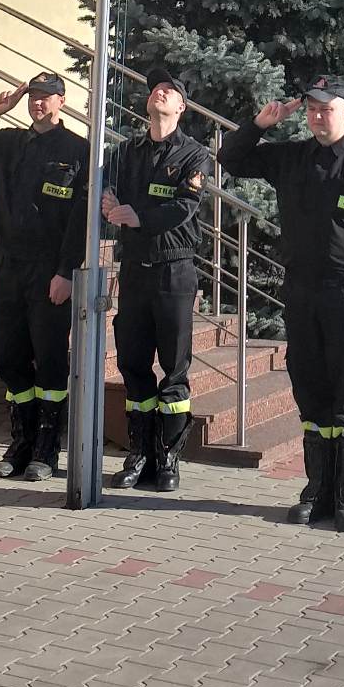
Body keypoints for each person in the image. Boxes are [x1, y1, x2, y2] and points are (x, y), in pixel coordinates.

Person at [218, 75, 344, 534]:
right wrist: (261, 124)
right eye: (313, 108)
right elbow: (230, 159)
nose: (319, 116)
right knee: (310, 390)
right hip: (300, 293)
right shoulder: (291, 158)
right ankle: (316, 491)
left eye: (328, 108)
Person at [0, 72, 88, 482]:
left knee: (50, 358)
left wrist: (66, 272)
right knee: (8, 355)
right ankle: (21, 442)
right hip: (8, 265)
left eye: (46, 97)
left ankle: (47, 448)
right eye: (33, 96)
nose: (37, 103)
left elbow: (80, 220)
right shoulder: (7, 142)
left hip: (48, 269)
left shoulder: (77, 150)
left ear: (61, 101)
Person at [101, 67, 212, 493]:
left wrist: (139, 217)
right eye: (155, 90)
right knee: (132, 362)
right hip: (134, 269)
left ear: (181, 106)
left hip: (173, 270)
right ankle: (140, 453)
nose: (159, 93)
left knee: (174, 367)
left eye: (169, 90)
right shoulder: (127, 152)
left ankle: (168, 458)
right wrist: (108, 199)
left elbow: (185, 206)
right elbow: (105, 185)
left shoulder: (193, 155)